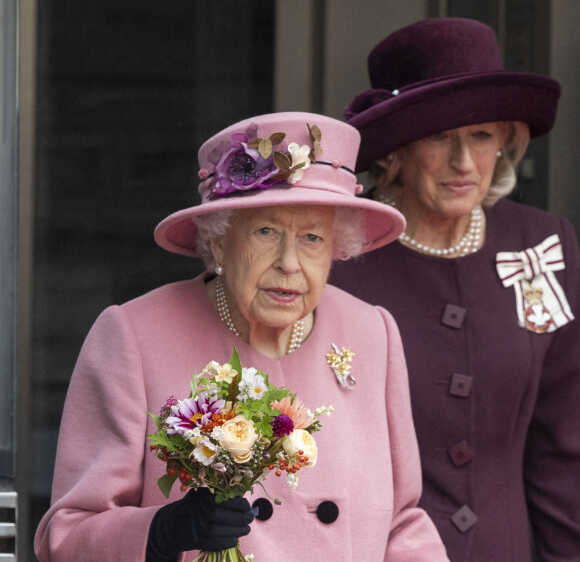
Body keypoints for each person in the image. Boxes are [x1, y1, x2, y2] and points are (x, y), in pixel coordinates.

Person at [34, 111, 450, 561]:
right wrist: (160, 532)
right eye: (266, 231)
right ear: (218, 240)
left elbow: (403, 525)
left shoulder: (372, 333)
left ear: (336, 248)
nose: (289, 263)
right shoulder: (134, 336)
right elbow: (68, 536)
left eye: (312, 237)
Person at [330, 18, 580, 561]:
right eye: (440, 137)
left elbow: (566, 447)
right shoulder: (337, 262)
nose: (464, 163)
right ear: (394, 151)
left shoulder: (542, 244)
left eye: (482, 136)